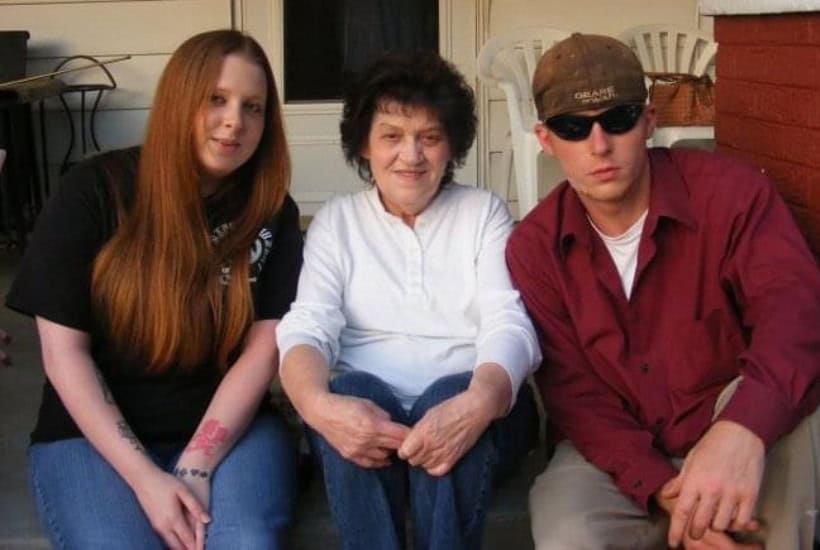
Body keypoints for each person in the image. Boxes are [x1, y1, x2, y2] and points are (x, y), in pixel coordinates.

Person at [506, 32, 820, 549]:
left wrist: (741, 430)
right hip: (620, 454)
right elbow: (576, 397)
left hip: (728, 423)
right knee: (567, 530)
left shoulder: (732, 196)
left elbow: (795, 314)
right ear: (546, 139)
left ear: (649, 121)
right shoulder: (535, 248)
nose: (599, 144)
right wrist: (666, 492)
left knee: (790, 407)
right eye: (573, 128)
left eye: (619, 119)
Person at [6, 30, 302, 549]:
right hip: (88, 437)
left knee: (245, 541)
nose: (235, 120)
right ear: (179, 98)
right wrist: (145, 477)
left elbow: (263, 349)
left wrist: (197, 463)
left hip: (232, 433)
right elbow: (63, 354)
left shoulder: (272, 211)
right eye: (216, 99)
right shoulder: (94, 190)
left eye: (252, 107)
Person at [276, 51, 541, 550]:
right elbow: (308, 325)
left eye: (430, 137)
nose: (411, 155)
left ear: (452, 146)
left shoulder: (482, 213)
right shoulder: (337, 222)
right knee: (351, 389)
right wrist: (318, 405)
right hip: (372, 424)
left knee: (449, 396)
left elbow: (508, 321)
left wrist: (478, 402)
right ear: (364, 146)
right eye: (392, 136)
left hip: (479, 415)